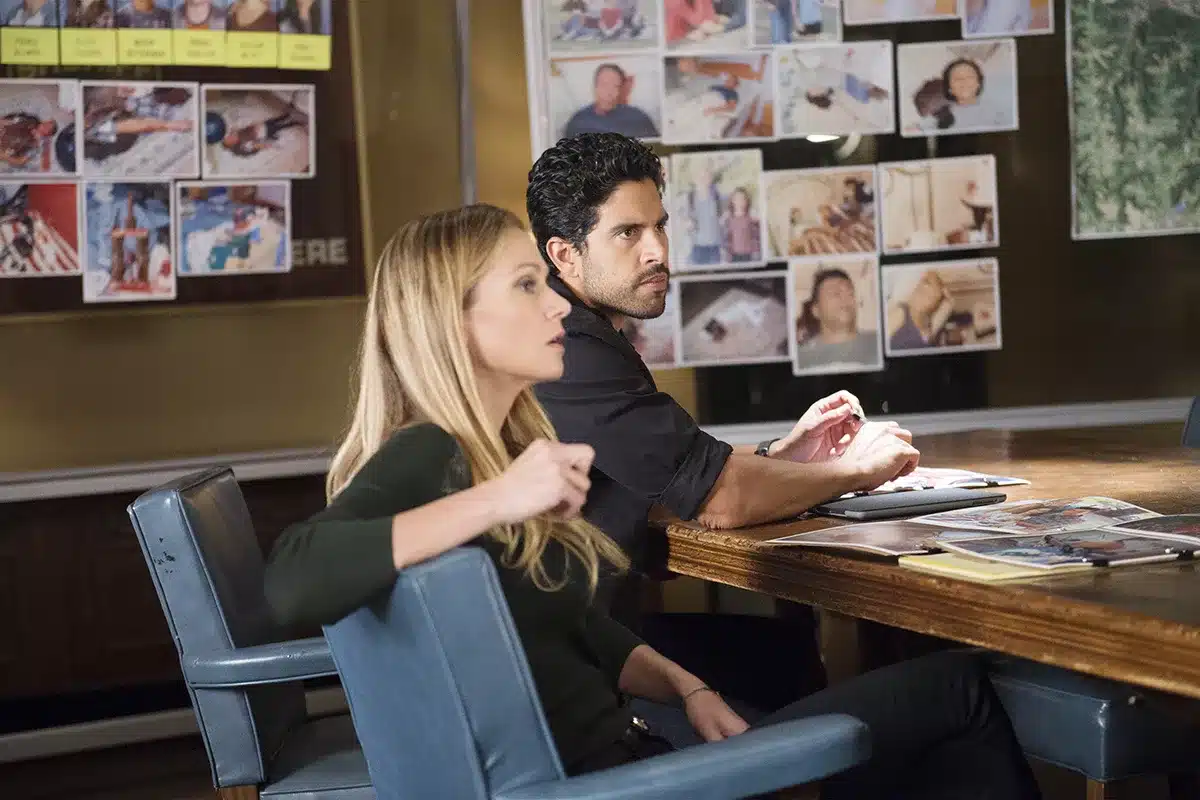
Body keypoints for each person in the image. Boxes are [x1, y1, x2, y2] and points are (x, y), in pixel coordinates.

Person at [262, 203, 1042, 798]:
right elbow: (294, 576)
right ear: (451, 321)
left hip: (642, 756)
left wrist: (686, 687)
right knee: (957, 689)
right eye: (527, 285)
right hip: (624, 786)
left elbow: (570, 628)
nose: (558, 305)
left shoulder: (481, 454)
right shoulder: (430, 453)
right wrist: (501, 497)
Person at [526, 132, 915, 712]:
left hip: (585, 644)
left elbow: (672, 474)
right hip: (584, 675)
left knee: (784, 654)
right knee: (938, 687)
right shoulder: (569, 350)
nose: (657, 251)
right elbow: (720, 500)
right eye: (628, 233)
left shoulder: (583, 333)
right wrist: (860, 471)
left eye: (659, 226)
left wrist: (785, 454)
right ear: (565, 255)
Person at [794, 268, 880, 371]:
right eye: (835, 294)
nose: (846, 298)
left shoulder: (879, 342)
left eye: (850, 293)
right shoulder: (800, 359)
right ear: (816, 310)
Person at [563, 63, 659, 140]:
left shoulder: (638, 119)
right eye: (604, 85)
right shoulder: (579, 122)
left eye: (615, 86)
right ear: (594, 87)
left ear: (621, 90)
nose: (609, 92)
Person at [221, 105, 306, 158]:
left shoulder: (238, 133)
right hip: (264, 132)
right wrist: (266, 145)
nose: (230, 136)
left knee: (274, 120)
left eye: (228, 137)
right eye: (229, 139)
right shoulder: (244, 144)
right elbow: (256, 146)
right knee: (280, 126)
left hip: (261, 126)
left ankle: (287, 115)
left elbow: (241, 126)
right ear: (233, 143)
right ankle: (296, 122)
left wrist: (254, 124)